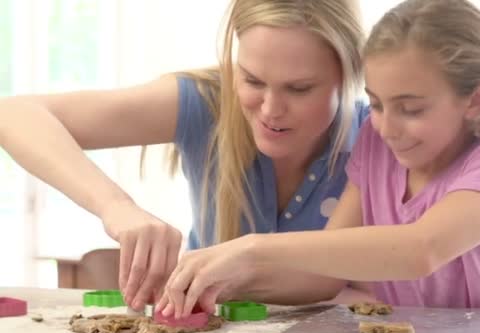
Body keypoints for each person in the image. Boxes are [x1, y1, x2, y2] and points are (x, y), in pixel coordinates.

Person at [157, 0, 480, 318]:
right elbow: (324, 277)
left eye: (411, 109)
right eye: (377, 104)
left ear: (478, 100)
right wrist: (220, 280)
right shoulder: (375, 143)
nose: (386, 126)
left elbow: (421, 249)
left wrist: (254, 249)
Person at [0, 0, 372, 310]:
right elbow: (13, 115)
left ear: (352, 73)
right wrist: (116, 207)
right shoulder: (206, 102)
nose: (271, 109)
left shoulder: (380, 136)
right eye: (253, 80)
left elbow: (326, 277)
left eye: (300, 88)